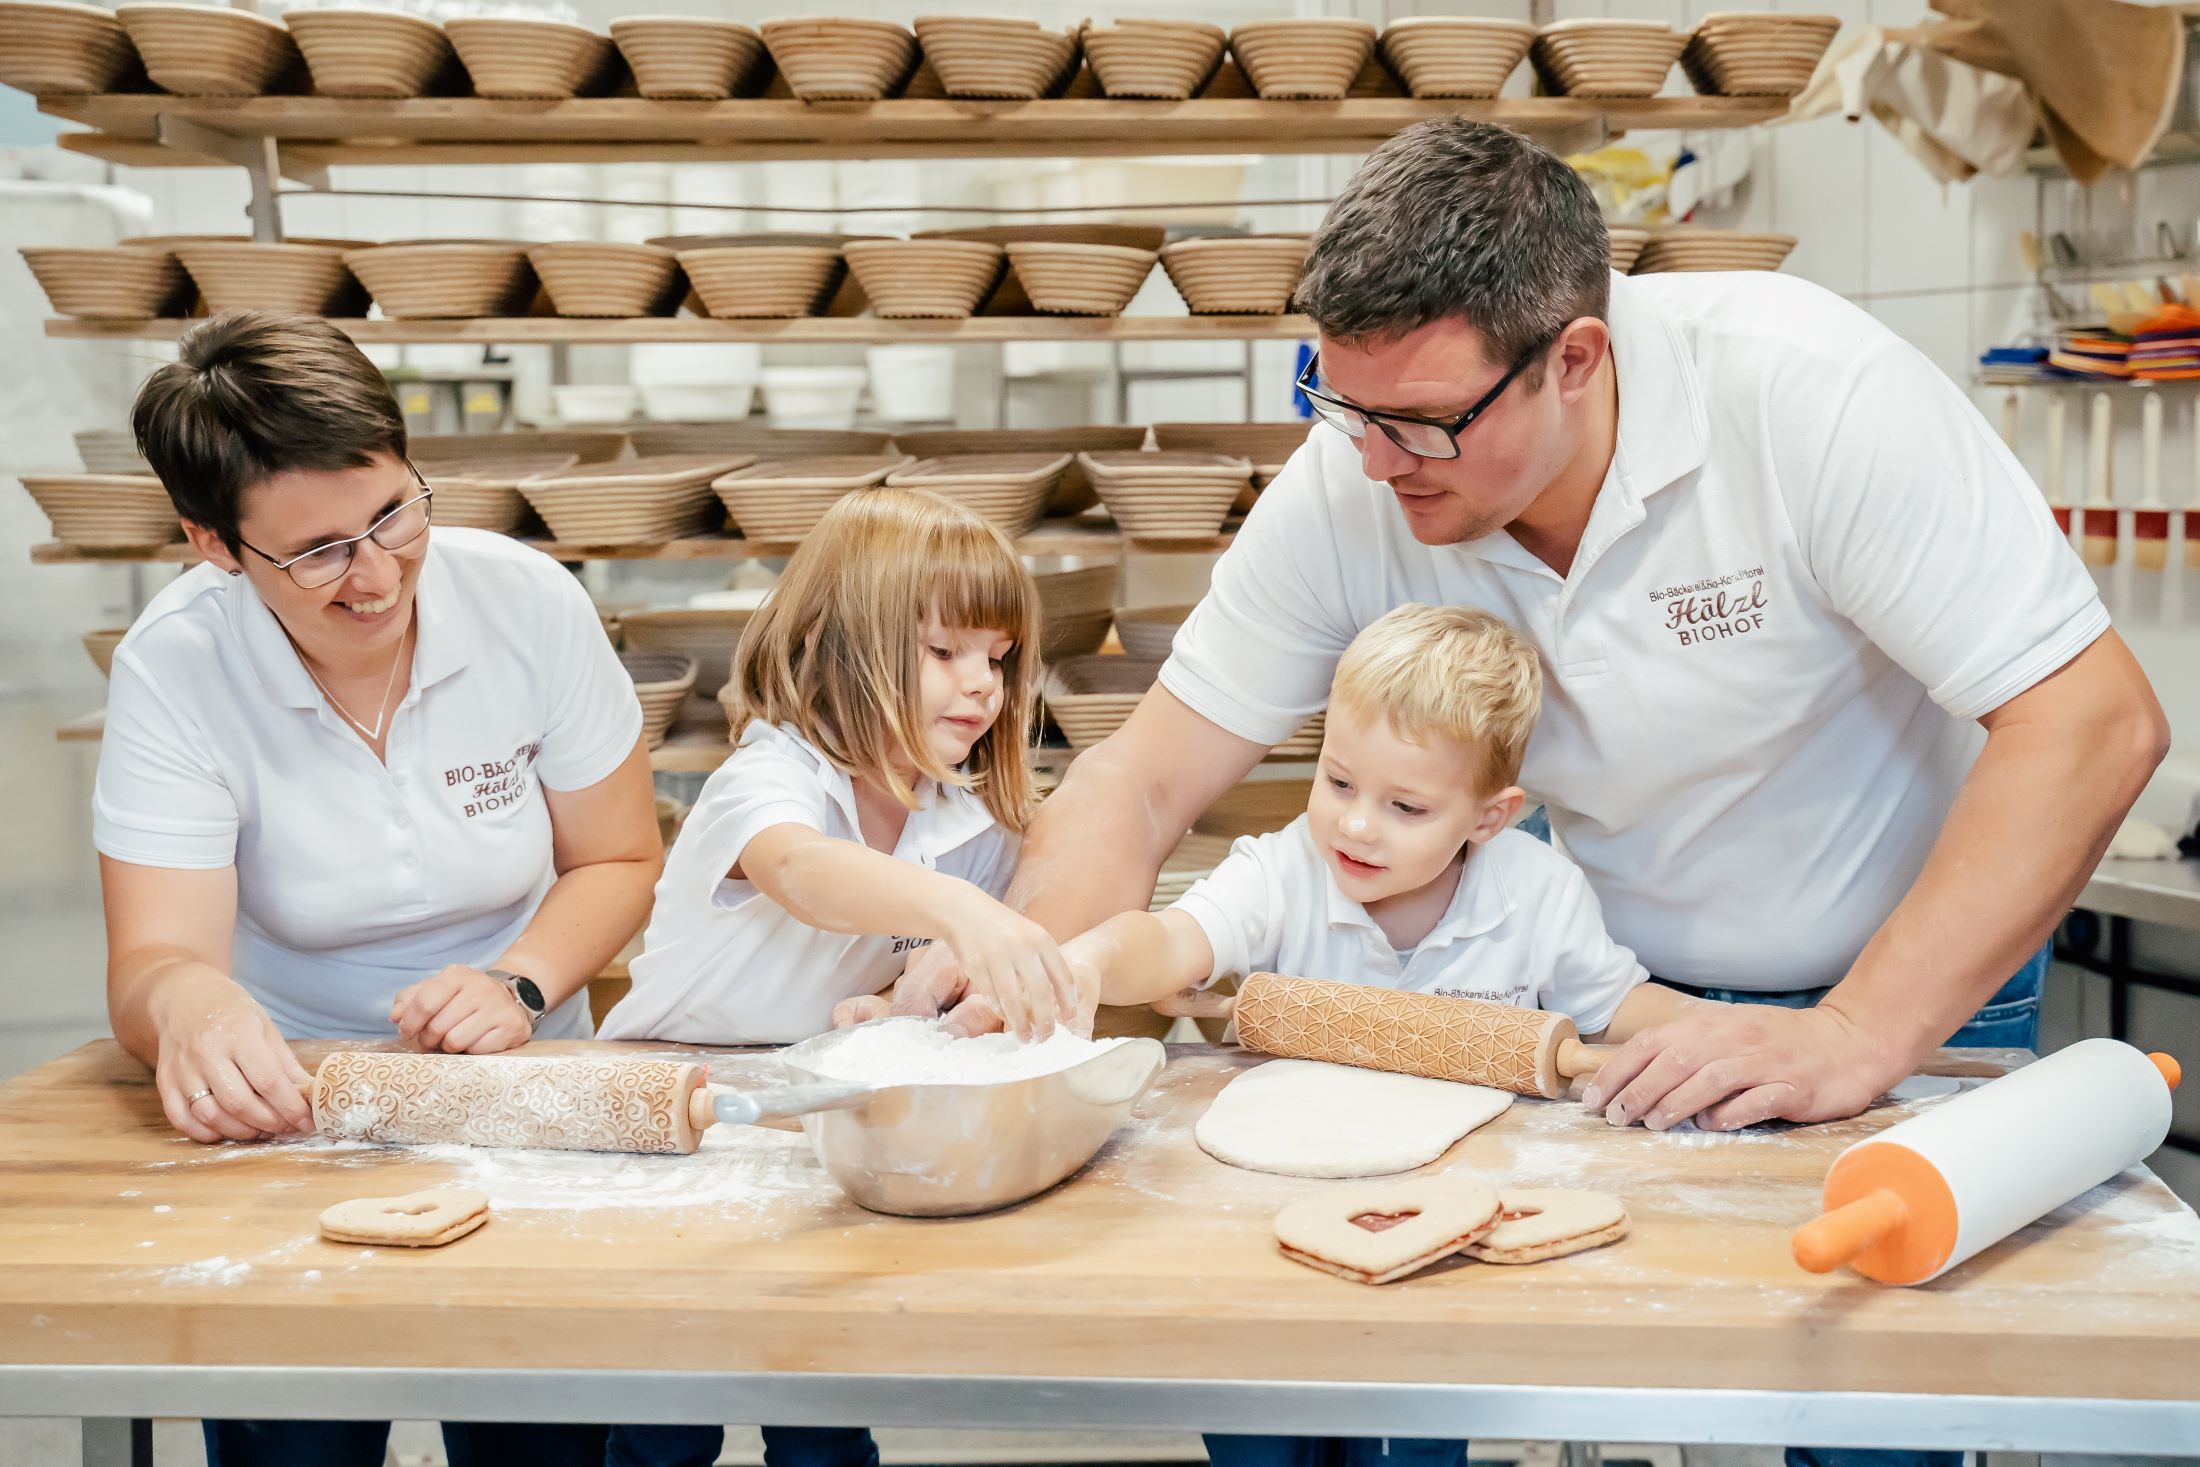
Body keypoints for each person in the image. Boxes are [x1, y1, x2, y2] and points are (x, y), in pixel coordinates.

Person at [894, 116, 2168, 1467]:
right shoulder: (1365, 472)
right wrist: (1035, 995)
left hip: (1903, 978)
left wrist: (1858, 1030)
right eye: (1339, 401)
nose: (1374, 462)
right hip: (1606, 1000)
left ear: (1575, 358)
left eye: (1421, 424)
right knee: (1587, 1365)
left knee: (1866, 1410)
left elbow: (2090, 722)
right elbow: (1143, 777)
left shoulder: (1807, 395)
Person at [98, 311, 662, 1467]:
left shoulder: (527, 606)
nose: (376, 572)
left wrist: (519, 979)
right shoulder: (178, 667)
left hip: (520, 1080)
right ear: (212, 544)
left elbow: (617, 857)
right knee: (292, 1443)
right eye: (316, 553)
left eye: (394, 512)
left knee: (537, 1444)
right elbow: (154, 963)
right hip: (289, 1101)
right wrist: (190, 1007)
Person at [1066, 603, 1715, 1467]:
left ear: (1490, 816)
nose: (1357, 825)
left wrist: (1727, 1034)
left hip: (1446, 1240)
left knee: (1413, 1443)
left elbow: (1618, 1004)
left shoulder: (1535, 891)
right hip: (1268, 1228)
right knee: (1264, 1438)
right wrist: (1090, 958)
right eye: (1338, 782)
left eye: (1406, 805)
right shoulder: (1283, 872)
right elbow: (1172, 945)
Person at [596, 486, 1068, 1467]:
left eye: (998, 656)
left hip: (812, 1130)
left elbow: (908, 975)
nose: (981, 684)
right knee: (662, 1420)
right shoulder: (768, 778)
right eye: (945, 653)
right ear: (841, 644)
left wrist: (907, 1006)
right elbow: (804, 875)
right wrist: (964, 915)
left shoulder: (962, 818)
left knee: (818, 1405)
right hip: (669, 1127)